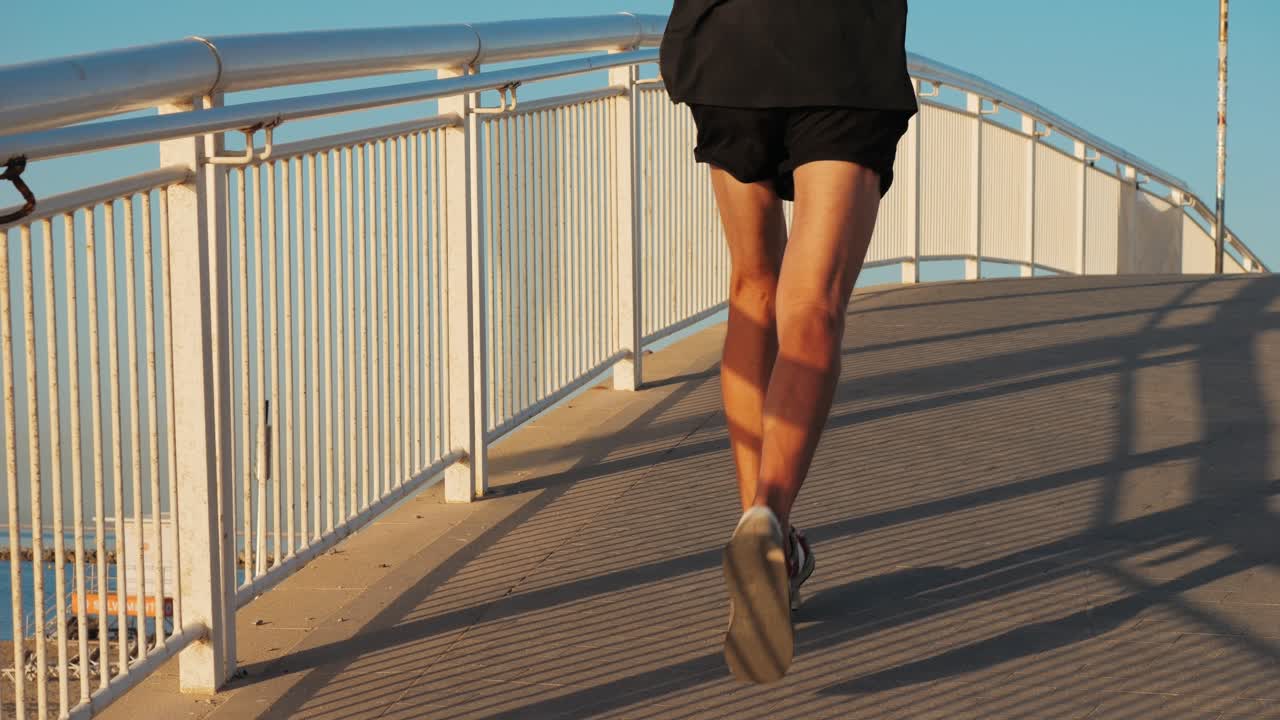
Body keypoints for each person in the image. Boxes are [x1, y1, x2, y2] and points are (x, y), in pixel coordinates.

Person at [659, 0, 919, 684]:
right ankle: (768, 519)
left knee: (754, 289)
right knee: (813, 304)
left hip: (731, 44)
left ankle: (765, 535)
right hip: (841, 50)